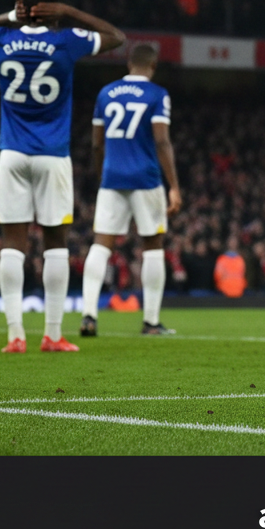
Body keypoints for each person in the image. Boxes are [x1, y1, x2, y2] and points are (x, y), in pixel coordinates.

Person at [0, 0, 124, 353]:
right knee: (55, 243)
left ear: (22, 9)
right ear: (51, 9)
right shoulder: (67, 41)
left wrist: (13, 15)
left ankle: (15, 336)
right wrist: (68, 11)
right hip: (52, 155)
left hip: (10, 153)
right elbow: (116, 37)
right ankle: (52, 334)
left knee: (12, 243)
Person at [80, 43, 182, 336]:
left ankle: (88, 316)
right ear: (153, 66)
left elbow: (96, 143)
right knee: (152, 245)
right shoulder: (157, 95)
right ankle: (151, 322)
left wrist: (103, 174)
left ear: (128, 64)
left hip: (113, 177)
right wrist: (173, 186)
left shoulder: (106, 93)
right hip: (146, 178)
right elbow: (162, 141)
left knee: (101, 244)